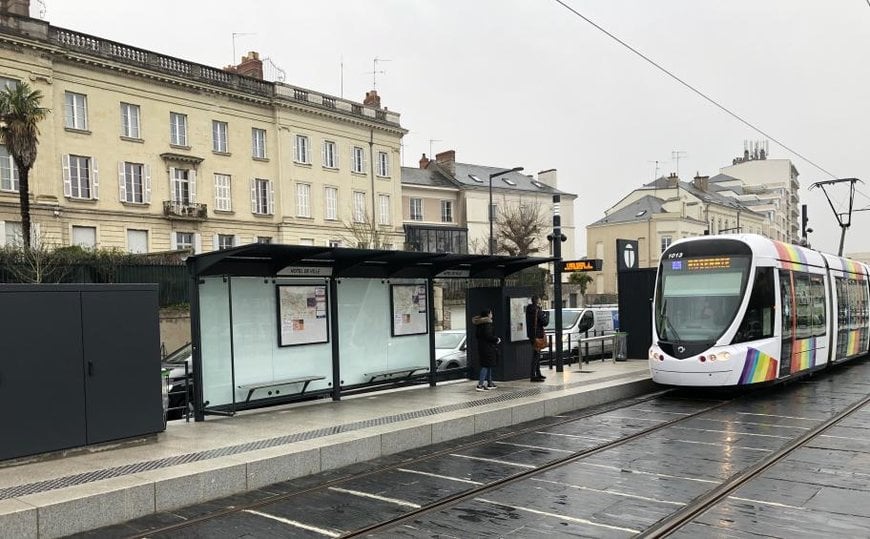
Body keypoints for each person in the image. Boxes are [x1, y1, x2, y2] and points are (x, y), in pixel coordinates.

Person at [472, 309, 500, 391]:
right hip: (488, 347)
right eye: (491, 313)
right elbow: (488, 336)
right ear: (488, 314)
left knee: (488, 365)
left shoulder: (479, 324)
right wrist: (496, 339)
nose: (492, 314)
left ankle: (490, 383)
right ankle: (480, 385)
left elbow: (479, 336)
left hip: (482, 347)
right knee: (485, 366)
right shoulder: (487, 324)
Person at [524, 295, 549, 382]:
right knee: (536, 355)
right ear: (538, 301)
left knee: (536, 354)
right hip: (537, 335)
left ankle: (538, 373)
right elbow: (545, 322)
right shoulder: (537, 310)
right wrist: (545, 315)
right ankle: (533, 375)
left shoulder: (529, 309)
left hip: (531, 334)